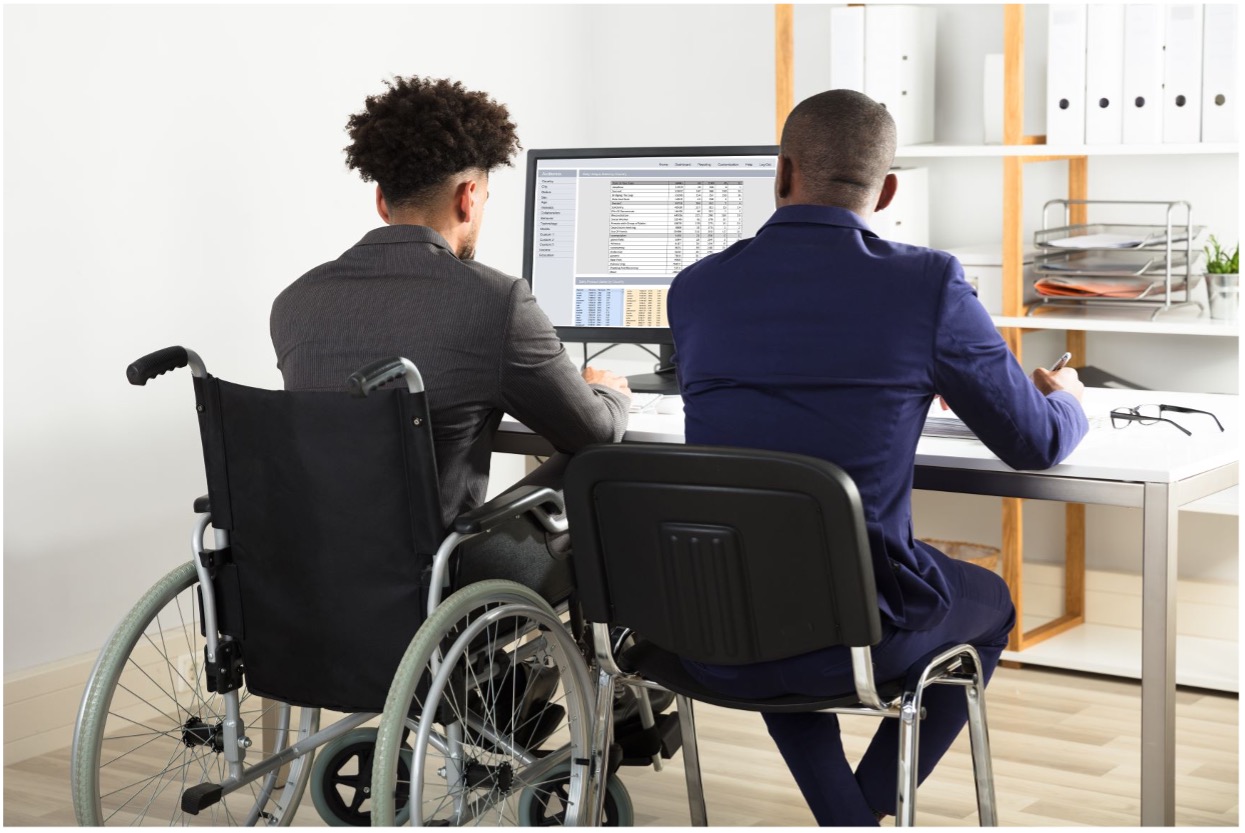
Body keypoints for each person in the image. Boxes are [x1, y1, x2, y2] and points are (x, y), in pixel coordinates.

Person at [667, 89, 1088, 826]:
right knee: (991, 606)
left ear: (781, 172)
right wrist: (1071, 400)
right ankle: (860, 816)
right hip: (860, 630)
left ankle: (849, 817)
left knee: (774, 594)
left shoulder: (695, 288)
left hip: (712, 623)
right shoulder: (927, 284)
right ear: (887, 191)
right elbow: (1035, 442)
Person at [271, 75, 631, 603]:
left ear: (381, 201)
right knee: (596, 462)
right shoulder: (496, 302)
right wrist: (607, 393)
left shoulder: (294, 302)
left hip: (316, 582)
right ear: (468, 197)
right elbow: (593, 432)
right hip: (436, 584)